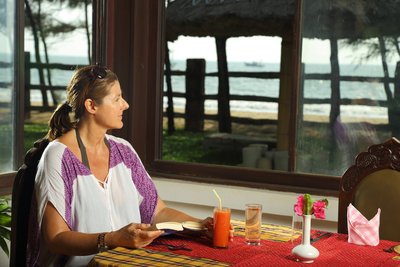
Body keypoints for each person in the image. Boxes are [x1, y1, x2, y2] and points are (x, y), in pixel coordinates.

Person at [30, 65, 213, 266]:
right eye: (116, 99)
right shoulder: (59, 156)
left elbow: (157, 212)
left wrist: (200, 225)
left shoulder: (123, 151)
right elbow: (56, 238)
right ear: (92, 106)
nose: (125, 105)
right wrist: (112, 239)